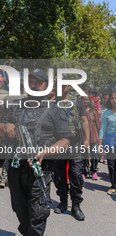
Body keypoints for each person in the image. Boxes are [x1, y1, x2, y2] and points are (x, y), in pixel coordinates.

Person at [0, 69, 72, 236]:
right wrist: (6, 126)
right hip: (16, 168)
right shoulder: (16, 106)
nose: (33, 85)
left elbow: (65, 141)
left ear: (46, 86)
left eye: (38, 82)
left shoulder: (55, 109)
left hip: (40, 170)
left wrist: (46, 152)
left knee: (37, 213)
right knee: (19, 208)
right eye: (30, 81)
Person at [53, 84, 90, 221]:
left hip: (76, 144)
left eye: (64, 84)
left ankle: (76, 206)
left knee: (75, 174)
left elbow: (84, 120)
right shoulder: (53, 101)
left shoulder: (77, 101)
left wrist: (87, 139)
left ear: (68, 86)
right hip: (58, 144)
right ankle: (63, 201)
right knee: (59, 175)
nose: (62, 87)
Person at [98, 90, 116, 195]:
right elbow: (103, 129)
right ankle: (113, 186)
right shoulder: (107, 113)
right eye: (112, 98)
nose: (114, 100)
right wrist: (100, 143)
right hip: (110, 142)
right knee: (112, 164)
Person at [82, 96, 101, 179]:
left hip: (94, 136)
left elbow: (98, 124)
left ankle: (94, 170)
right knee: (84, 154)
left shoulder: (94, 111)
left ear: (89, 101)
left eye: (86, 100)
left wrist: (101, 138)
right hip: (83, 136)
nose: (85, 101)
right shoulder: (79, 112)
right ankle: (84, 171)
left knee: (95, 153)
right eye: (83, 100)